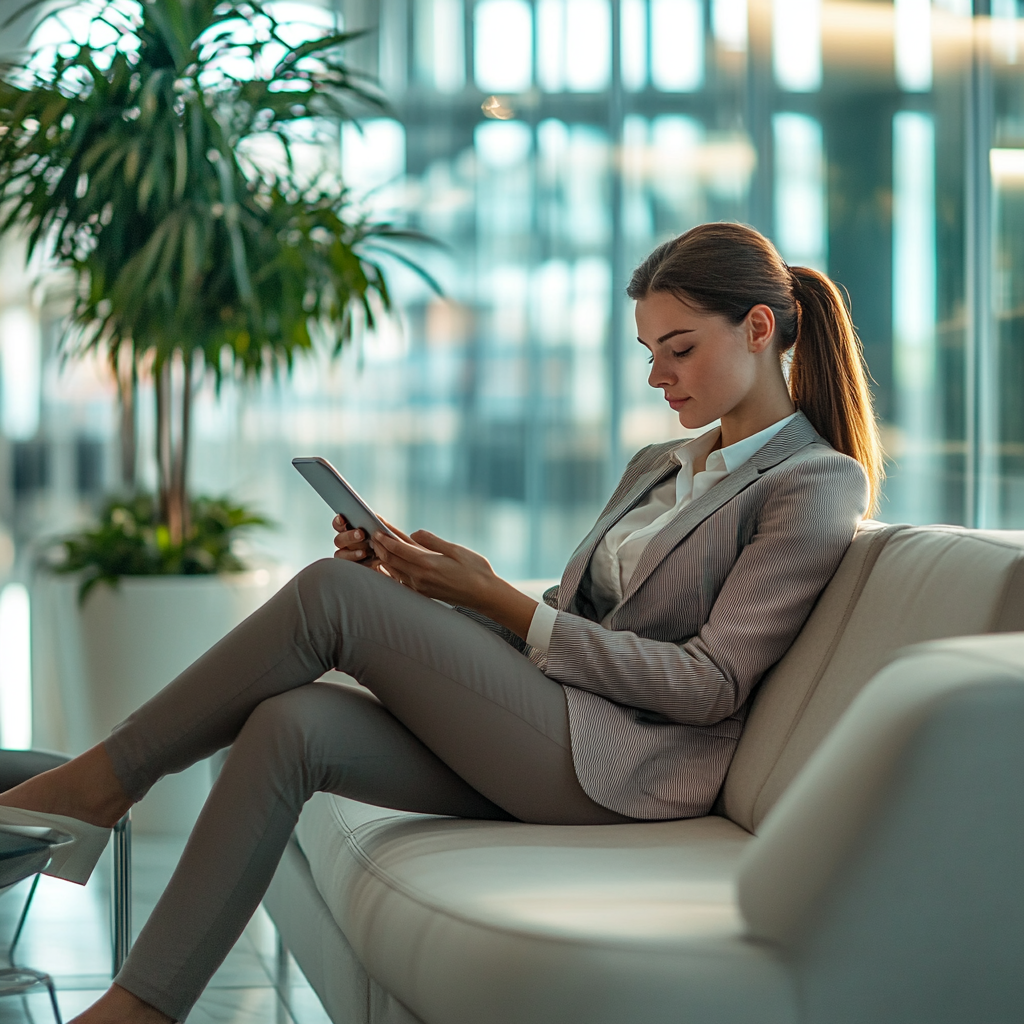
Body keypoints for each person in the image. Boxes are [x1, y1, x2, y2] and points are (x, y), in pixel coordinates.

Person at [0, 222, 878, 1023]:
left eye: (678, 350)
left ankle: (97, 785)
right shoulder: (661, 464)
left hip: (623, 770)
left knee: (329, 597)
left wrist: (499, 603)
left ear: (760, 329)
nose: (658, 377)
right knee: (291, 724)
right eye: (649, 352)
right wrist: (449, 592)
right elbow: (573, 624)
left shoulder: (814, 482)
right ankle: (140, 1010)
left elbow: (711, 684)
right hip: (547, 724)